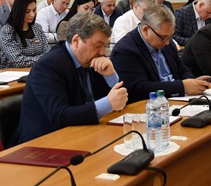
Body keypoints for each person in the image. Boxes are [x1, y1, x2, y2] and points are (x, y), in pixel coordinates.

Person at [12, 12, 128, 145]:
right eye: (97, 45)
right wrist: (108, 103)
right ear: (76, 41)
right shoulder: (49, 66)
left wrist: (111, 76)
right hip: (44, 144)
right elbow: (61, 115)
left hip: (83, 133)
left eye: (105, 46)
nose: (102, 52)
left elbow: (119, 101)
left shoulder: (92, 60)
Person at [111, 5, 211, 104]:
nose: (167, 42)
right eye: (164, 38)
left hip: (178, 100)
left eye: (170, 37)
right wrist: (183, 86)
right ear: (145, 30)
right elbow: (140, 89)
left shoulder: (166, 41)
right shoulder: (125, 50)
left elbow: (181, 69)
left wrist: (193, 82)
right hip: (150, 106)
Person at [0, 0, 50, 68]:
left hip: (38, 69)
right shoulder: (7, 31)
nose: (32, 14)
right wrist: (42, 59)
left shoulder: (37, 28)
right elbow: (17, 61)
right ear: (19, 11)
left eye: (34, 10)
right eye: (27, 11)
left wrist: (42, 59)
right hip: (13, 72)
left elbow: (48, 53)